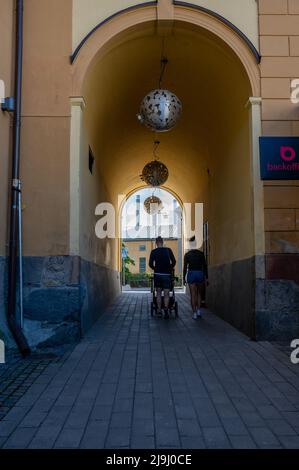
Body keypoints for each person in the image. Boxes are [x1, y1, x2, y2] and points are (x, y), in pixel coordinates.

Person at [149, 236, 176, 319]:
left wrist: (155, 269)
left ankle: (159, 311)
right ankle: (166, 311)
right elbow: (174, 261)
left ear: (156, 243)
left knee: (159, 293)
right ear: (163, 242)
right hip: (167, 275)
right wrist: (170, 268)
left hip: (157, 274)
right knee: (167, 293)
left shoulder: (153, 251)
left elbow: (150, 264)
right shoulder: (168, 250)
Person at [183, 236, 208, 320]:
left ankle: (194, 314)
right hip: (200, 273)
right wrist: (207, 278)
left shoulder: (187, 255)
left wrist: (183, 278)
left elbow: (184, 267)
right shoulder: (201, 254)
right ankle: (199, 311)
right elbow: (204, 266)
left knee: (193, 294)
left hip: (191, 274)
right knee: (199, 294)